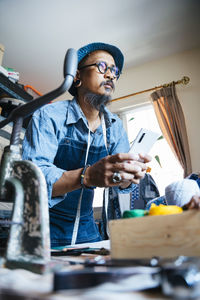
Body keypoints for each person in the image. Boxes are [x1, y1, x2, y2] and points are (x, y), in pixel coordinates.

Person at [22, 42, 151, 247]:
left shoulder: (115, 126)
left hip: (88, 231)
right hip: (42, 229)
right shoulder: (49, 115)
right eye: (102, 67)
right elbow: (32, 181)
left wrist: (128, 176)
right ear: (78, 76)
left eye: (114, 71)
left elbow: (120, 185)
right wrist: (88, 175)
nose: (110, 75)